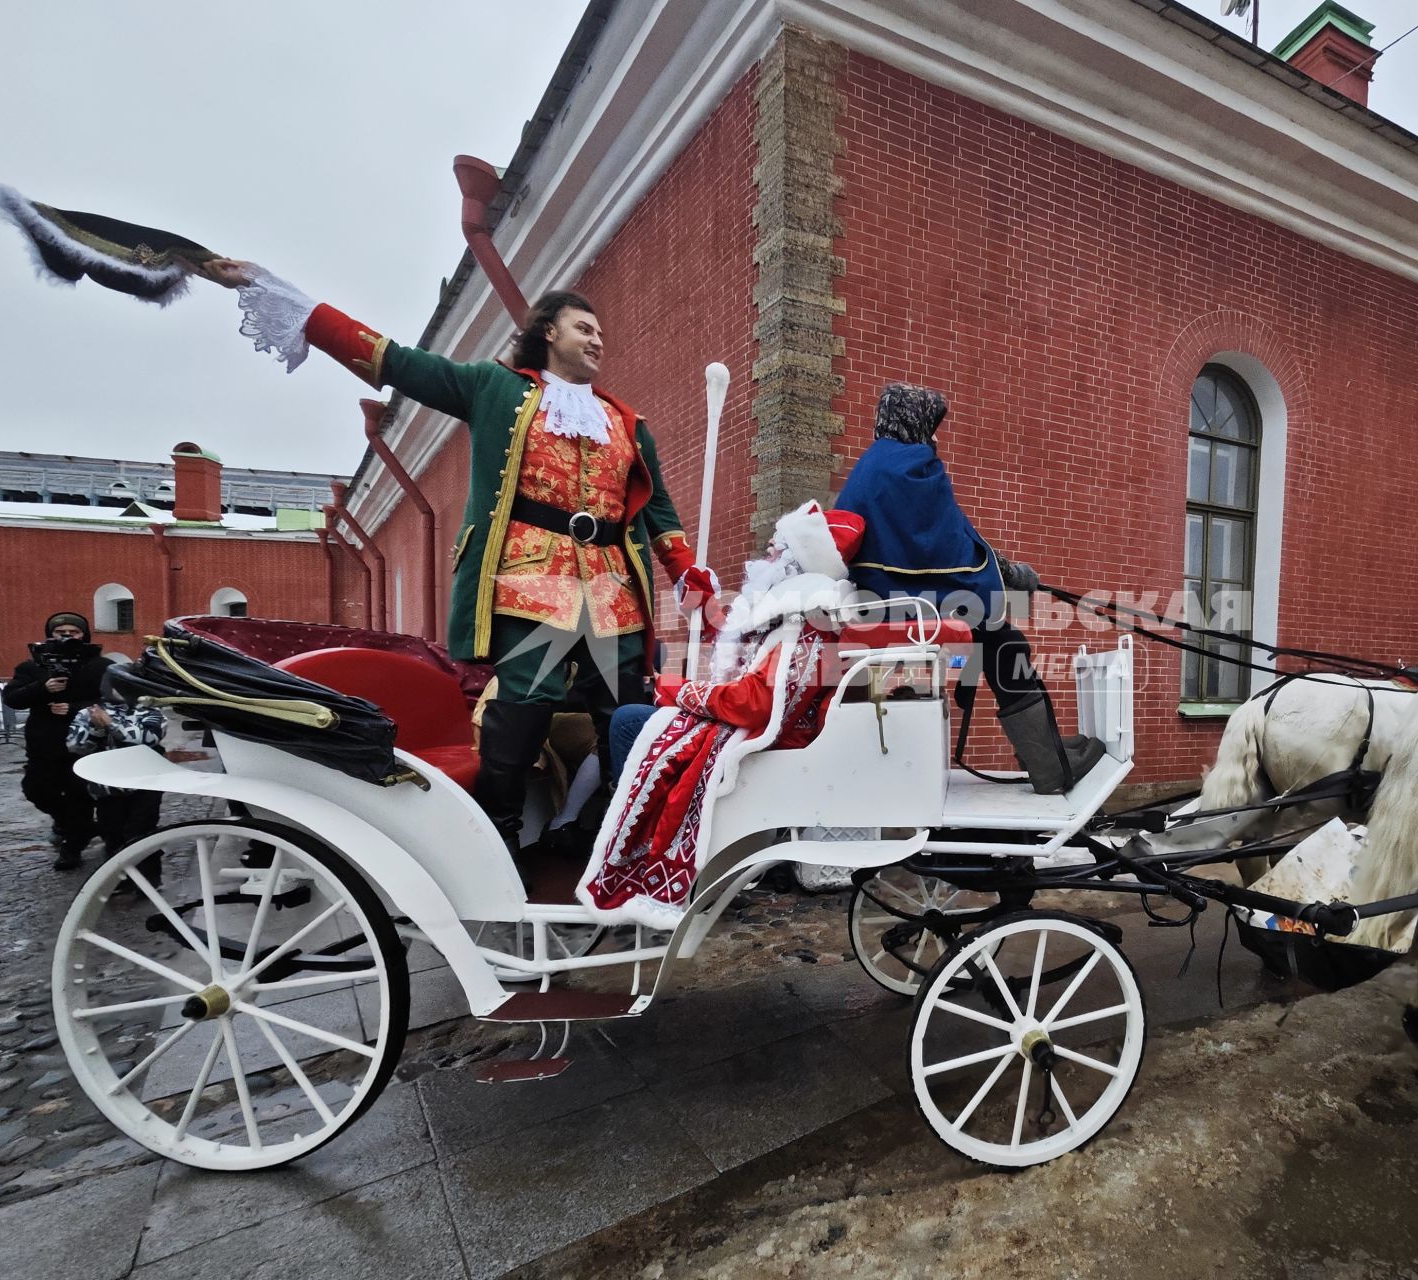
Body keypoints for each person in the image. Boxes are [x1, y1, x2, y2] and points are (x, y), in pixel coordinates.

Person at [194, 262, 719, 857]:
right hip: (533, 572)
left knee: (624, 708)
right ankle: (498, 834)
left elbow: (659, 509)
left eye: (600, 332)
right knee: (527, 698)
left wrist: (687, 573)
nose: (597, 339)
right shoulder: (495, 389)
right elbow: (395, 361)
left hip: (612, 585)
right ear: (548, 331)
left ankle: (617, 831)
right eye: (583, 327)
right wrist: (301, 310)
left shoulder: (626, 421)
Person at [581, 502, 865, 928]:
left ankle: (638, 846)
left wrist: (675, 691)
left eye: (776, 548)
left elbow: (757, 703)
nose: (765, 553)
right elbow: (742, 660)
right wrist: (705, 606)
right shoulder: (788, 614)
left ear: (796, 563)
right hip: (747, 725)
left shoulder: (808, 624)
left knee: (628, 721)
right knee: (631, 719)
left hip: (761, 737)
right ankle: (639, 835)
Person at [835, 383, 1104, 794]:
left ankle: (1045, 751)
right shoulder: (911, 466)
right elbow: (953, 549)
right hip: (904, 605)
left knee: (998, 634)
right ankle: (1049, 765)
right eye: (933, 424)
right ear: (917, 420)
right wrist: (1010, 574)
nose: (936, 436)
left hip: (884, 599)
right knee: (1005, 643)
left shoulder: (874, 463)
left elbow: (946, 541)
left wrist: (1004, 575)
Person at [0, 612, 106, 867]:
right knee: (37, 790)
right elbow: (12, 698)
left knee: (79, 795)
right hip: (44, 744)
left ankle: (72, 848)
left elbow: (114, 700)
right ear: (50, 634)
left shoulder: (100, 666)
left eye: (74, 632)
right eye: (61, 632)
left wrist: (75, 708)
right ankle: (76, 826)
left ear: (84, 635)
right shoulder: (32, 667)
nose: (67, 637)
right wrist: (42, 689)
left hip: (84, 743)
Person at [65, 661, 167, 885]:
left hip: (145, 784)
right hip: (106, 786)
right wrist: (95, 728)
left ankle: (149, 880)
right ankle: (120, 881)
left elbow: (148, 738)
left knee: (142, 830)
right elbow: (75, 745)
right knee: (112, 832)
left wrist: (112, 726)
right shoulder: (90, 711)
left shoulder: (151, 711)